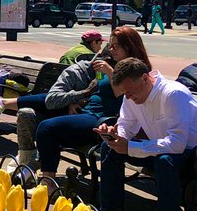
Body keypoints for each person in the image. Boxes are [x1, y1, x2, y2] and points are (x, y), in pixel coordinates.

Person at [96, 57, 197, 211]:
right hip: (166, 150)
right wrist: (115, 136)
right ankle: (112, 210)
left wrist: (130, 147)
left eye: (131, 92)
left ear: (145, 78)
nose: (128, 97)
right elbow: (127, 125)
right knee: (110, 149)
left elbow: (177, 144)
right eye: (124, 93)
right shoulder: (132, 95)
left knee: (165, 161)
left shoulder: (172, 94)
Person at [25, 27, 152, 173]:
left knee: (47, 128)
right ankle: (4, 103)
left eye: (115, 46)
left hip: (103, 119)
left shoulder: (136, 70)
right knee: (45, 105)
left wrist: (110, 73)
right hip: (88, 110)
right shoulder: (112, 62)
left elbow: (124, 100)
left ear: (129, 46)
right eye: (110, 45)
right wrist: (76, 102)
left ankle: (48, 181)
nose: (111, 49)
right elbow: (95, 91)